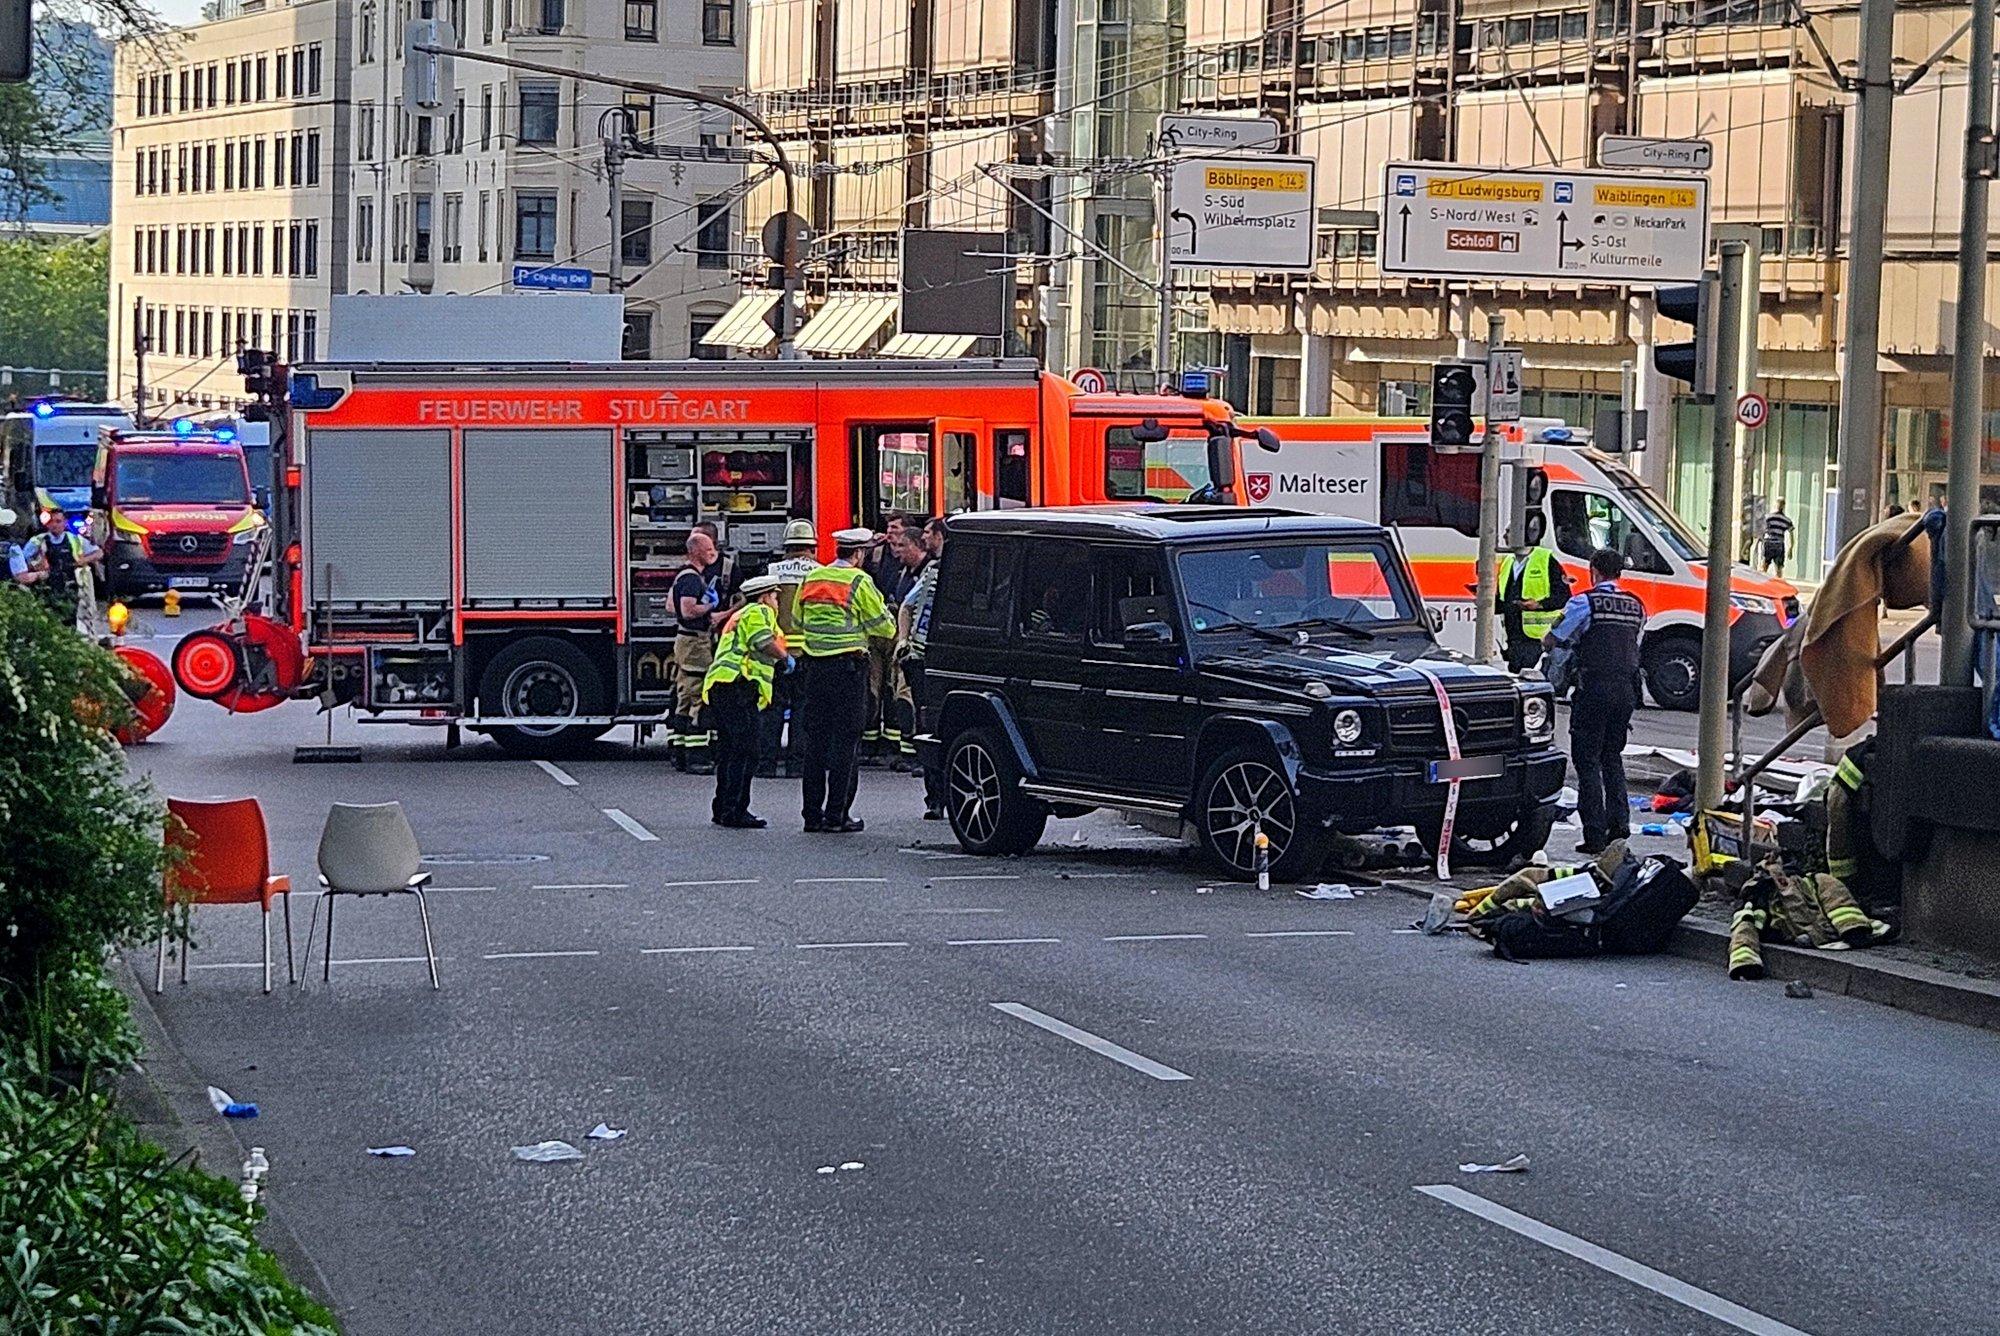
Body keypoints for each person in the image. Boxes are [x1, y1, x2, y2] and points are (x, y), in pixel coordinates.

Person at [795, 527, 896, 833]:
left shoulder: (812, 578)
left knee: (816, 743)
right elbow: (884, 628)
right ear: (859, 554)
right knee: (845, 743)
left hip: (815, 670)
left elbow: (798, 620)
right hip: (848, 671)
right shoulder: (859, 581)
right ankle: (837, 815)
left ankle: (812, 815)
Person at [1544, 548, 1645, 855]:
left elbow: (1554, 637)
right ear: (1619, 573)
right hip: (1626, 690)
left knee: (1587, 760)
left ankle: (1594, 834)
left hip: (1594, 687)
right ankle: (1620, 825)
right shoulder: (1636, 605)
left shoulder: (1584, 602)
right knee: (1612, 756)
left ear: (1594, 572)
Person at [701, 574, 791, 829]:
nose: (776, 602)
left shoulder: (740, 615)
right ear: (764, 597)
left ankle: (723, 808)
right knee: (747, 750)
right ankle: (736, 810)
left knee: (730, 750)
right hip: (738, 685)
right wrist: (785, 658)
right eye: (775, 596)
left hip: (724, 685)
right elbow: (762, 641)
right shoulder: (758, 611)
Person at [763, 518, 820, 775]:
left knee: (772, 708)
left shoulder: (772, 572)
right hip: (808, 653)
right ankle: (797, 765)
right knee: (802, 710)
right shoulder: (820, 573)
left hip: (776, 652)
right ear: (812, 547)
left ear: (786, 547)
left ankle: (766, 764)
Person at [900, 519, 947, 818]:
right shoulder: (931, 571)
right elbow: (907, 606)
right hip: (922, 657)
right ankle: (935, 799)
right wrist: (903, 641)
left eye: (929, 533)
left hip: (947, 658)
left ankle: (944, 796)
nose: (925, 537)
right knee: (927, 726)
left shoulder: (961, 570)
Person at [670, 529, 726, 773]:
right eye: (708, 549)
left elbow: (673, 607)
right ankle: (697, 758)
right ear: (696, 552)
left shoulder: (685, 576)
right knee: (699, 697)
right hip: (695, 644)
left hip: (687, 640)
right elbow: (688, 610)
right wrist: (709, 606)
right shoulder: (692, 579)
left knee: (683, 698)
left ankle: (679, 754)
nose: (713, 553)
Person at [886, 519, 933, 774]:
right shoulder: (904, 572)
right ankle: (909, 751)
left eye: (903, 546)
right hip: (906, 644)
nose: (898, 550)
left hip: (919, 647)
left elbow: (910, 606)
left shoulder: (930, 573)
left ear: (917, 546)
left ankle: (915, 754)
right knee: (901, 696)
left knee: (910, 700)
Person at [9, 505, 102, 627]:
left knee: (70, 623)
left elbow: (99, 553)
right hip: (46, 589)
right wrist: (35, 566)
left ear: (65, 523)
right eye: (51, 521)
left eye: (58, 521)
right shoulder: (38, 541)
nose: (54, 525)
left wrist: (83, 560)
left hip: (70, 588)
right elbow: (22, 562)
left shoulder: (75, 539)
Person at [1495, 544, 1570, 673]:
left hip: (1537, 639)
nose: (1506, 536)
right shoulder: (1508, 561)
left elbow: (1563, 597)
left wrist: (1539, 605)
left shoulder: (1545, 559)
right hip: (1513, 637)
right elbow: (1505, 600)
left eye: (1509, 533)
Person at [1759, 498, 1795, 576]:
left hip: (1769, 543)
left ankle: (1761, 581)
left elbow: (1761, 530)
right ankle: (1777, 582)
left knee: (1764, 566)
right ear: (1784, 506)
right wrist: (1791, 548)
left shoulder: (1768, 517)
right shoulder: (1787, 520)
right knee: (1778, 569)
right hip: (1779, 544)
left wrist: (1760, 541)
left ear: (1775, 505)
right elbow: (1791, 534)